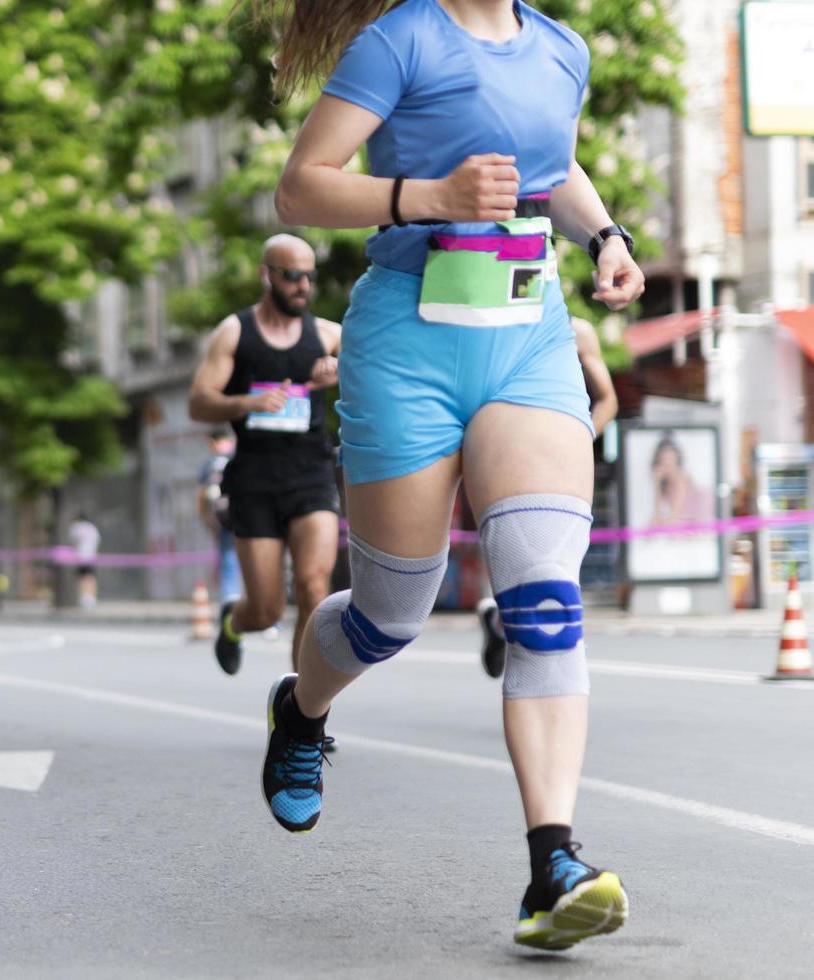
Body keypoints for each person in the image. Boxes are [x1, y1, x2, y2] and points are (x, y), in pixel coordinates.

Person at [254, 0, 645, 949]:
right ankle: (301, 711)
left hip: (529, 337)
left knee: (545, 601)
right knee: (392, 610)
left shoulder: (562, 48)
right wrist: (427, 197)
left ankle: (554, 863)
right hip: (408, 343)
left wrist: (605, 237)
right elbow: (301, 189)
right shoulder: (403, 39)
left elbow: (551, 170)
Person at [188, 235, 343, 677]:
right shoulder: (235, 332)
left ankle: (302, 715)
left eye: (309, 277)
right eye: (293, 276)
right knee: (267, 609)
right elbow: (198, 403)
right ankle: (234, 623)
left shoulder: (328, 334)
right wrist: (247, 404)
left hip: (311, 473)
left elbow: (377, 375)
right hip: (254, 479)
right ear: (267, 274)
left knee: (315, 587)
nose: (303, 287)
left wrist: (338, 369)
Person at [476, 318, 617, 677]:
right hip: (506, 455)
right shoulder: (494, 320)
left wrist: (581, 437)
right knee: (530, 573)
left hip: (561, 463)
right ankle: (510, 632)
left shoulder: (578, 330)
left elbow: (608, 400)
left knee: (555, 574)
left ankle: (517, 640)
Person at [198, 429, 244, 603]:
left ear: (212, 442)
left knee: (229, 562)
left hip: (224, 520)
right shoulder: (240, 458)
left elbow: (202, 495)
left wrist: (206, 520)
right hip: (248, 517)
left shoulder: (210, 464)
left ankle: (230, 604)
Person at [68, 514, 101, 610]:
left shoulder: (76, 527)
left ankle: (84, 598)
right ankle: (91, 598)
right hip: (91, 556)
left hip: (80, 556)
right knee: (91, 577)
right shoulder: (92, 528)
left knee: (82, 578)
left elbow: (73, 541)